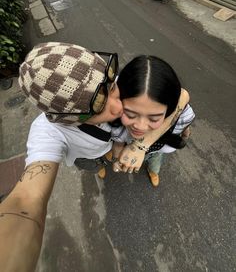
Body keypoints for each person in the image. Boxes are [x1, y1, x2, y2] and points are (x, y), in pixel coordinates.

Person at [0, 42, 190, 271]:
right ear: (68, 118)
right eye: (99, 106)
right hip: (87, 156)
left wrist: (140, 145)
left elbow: (180, 95)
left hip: (115, 147)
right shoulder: (48, 132)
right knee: (93, 166)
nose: (119, 107)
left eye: (111, 89)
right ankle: (101, 168)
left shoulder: (96, 81)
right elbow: (26, 200)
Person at [111, 55, 195, 187]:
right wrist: (117, 160)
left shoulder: (181, 117)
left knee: (155, 162)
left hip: (156, 152)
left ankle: (153, 171)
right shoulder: (115, 124)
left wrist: (139, 146)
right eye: (130, 114)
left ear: (169, 112)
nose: (140, 126)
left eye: (154, 118)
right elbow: (117, 144)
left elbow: (183, 97)